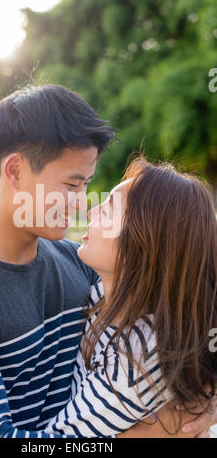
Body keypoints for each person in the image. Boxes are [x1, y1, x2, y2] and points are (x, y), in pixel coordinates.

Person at [0, 85, 215, 438]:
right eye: (73, 185)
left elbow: (187, 307)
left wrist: (206, 393)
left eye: (86, 184)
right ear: (14, 171)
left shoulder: (82, 266)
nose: (83, 203)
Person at [42, 157, 217, 436]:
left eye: (109, 208)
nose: (92, 211)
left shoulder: (137, 358)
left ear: (145, 240)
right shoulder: (104, 294)